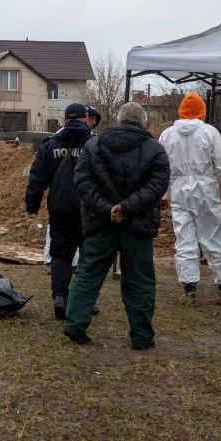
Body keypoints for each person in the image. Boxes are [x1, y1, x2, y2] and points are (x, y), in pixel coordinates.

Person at [65, 102, 170, 350]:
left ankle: (75, 325)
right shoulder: (155, 150)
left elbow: (82, 182)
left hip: (101, 223)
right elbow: (158, 185)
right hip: (138, 225)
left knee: (88, 273)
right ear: (142, 121)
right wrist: (127, 208)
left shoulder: (94, 145)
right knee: (140, 281)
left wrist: (107, 209)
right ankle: (142, 336)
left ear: (119, 119)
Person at [158, 92, 221, 303]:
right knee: (214, 236)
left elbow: (161, 169)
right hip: (205, 190)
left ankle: (189, 288)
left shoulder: (167, 135)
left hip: (179, 190)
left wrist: (163, 195)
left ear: (180, 112)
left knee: (185, 239)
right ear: (202, 113)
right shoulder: (209, 132)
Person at [27, 103, 93, 319]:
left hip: (60, 207)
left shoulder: (50, 145)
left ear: (65, 120)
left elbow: (37, 178)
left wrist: (32, 204)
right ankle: (83, 300)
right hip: (89, 209)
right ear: (86, 119)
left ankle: (60, 297)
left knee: (61, 254)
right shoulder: (94, 144)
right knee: (88, 255)